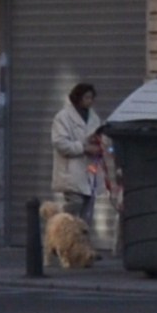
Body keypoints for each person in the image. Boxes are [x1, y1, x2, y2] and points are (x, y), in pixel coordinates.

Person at [46, 79, 106, 260]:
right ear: (78, 98)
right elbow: (60, 143)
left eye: (92, 97)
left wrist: (100, 145)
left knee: (87, 215)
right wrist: (83, 147)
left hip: (89, 171)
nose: (90, 101)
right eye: (87, 97)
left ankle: (84, 251)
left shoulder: (93, 117)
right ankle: (60, 244)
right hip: (72, 172)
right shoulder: (63, 117)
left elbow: (99, 137)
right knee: (73, 210)